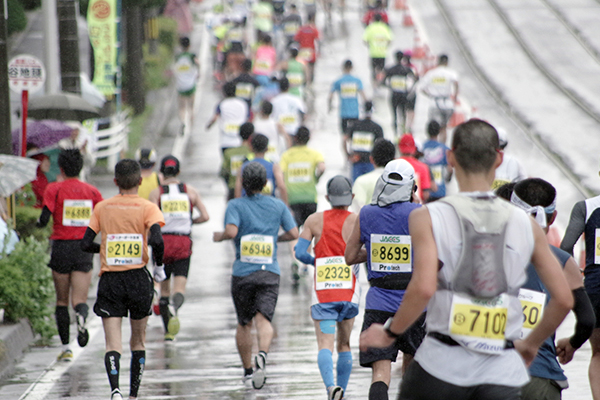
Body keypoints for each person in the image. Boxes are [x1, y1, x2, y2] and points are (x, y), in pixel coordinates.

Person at [360, 119, 573, 400]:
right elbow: (564, 299)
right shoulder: (525, 225)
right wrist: (530, 344)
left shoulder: (428, 216)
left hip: (442, 367)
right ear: (498, 159)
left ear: (450, 157)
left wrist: (389, 332)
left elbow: (423, 288)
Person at [496, 179, 595, 400]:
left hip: (489, 377)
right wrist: (571, 344)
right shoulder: (562, 262)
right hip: (540, 378)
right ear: (553, 217)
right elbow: (587, 320)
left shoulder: (483, 251)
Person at [80, 159, 166, 400]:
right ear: (140, 181)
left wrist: (105, 249)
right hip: (139, 279)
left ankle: (115, 390)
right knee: (138, 341)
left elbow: (85, 243)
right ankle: (133, 395)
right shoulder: (149, 208)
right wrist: (158, 267)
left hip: (111, 281)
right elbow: (158, 241)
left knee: (112, 343)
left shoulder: (102, 208)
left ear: (115, 182)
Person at [213, 161, 298, 389]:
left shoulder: (235, 205)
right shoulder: (278, 205)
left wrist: (220, 236)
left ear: (243, 183)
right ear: (265, 183)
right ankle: (262, 353)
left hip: (243, 273)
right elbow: (293, 232)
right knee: (264, 319)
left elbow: (231, 231)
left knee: (244, 323)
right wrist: (275, 239)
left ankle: (248, 370)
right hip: (269, 272)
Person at [345, 159, 424, 400]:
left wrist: (374, 249)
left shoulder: (366, 213)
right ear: (411, 188)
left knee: (380, 372)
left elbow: (349, 257)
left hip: (378, 303)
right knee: (412, 371)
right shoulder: (419, 214)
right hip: (414, 305)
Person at [295, 176, 359, 400]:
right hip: (349, 292)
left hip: (324, 294)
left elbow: (300, 252)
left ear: (327, 198)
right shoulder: (357, 220)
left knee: (325, 343)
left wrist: (317, 261)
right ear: (351, 197)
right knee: (345, 343)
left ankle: (331, 387)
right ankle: (342, 390)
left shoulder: (314, 220)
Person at [36, 149, 103, 361]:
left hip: (61, 248)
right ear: (81, 168)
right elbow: (102, 220)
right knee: (79, 299)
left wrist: (36, 224)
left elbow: (44, 219)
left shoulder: (54, 189)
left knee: (62, 301)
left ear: (62, 168)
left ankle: (66, 348)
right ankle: (82, 317)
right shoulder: (92, 192)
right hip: (84, 248)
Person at [149, 156, 210, 341]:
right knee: (180, 288)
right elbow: (205, 216)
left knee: (164, 290)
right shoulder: (190, 191)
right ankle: (176, 307)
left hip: (163, 243)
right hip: (183, 242)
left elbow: (151, 221)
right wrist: (189, 222)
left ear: (161, 174)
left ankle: (169, 331)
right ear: (179, 172)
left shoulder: (156, 192)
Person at [560, 164, 600, 400]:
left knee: (598, 355)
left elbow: (566, 248)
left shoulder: (586, 207)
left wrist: (577, 276)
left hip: (596, 287)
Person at [235, 134, 287, 204]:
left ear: (251, 148)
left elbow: (238, 189)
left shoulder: (243, 167)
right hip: (269, 205)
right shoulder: (274, 167)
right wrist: (286, 206)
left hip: (249, 206)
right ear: (267, 149)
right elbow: (281, 186)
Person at [419, 54, 459, 144]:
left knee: (434, 128)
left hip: (435, 102)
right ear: (447, 62)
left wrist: (430, 94)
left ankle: (434, 146)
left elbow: (421, 88)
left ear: (438, 62)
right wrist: (455, 97)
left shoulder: (431, 73)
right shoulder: (450, 73)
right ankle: (443, 146)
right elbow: (456, 82)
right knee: (444, 127)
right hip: (447, 103)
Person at [345, 101, 384, 182]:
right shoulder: (377, 127)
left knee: (356, 188)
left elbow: (344, 140)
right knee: (371, 187)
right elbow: (381, 146)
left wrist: (348, 155)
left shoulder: (354, 125)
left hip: (357, 160)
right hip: (370, 161)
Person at [352, 138, 395, 211]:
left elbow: (358, 212)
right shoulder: (404, 180)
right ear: (394, 159)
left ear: (371, 159)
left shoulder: (361, 182)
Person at [206, 81, 249, 154]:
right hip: (240, 140)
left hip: (226, 140)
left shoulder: (222, 104)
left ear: (224, 92)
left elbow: (215, 118)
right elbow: (248, 119)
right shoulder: (243, 104)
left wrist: (208, 126)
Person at [328, 60, 367, 136]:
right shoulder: (357, 81)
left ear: (343, 67)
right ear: (352, 67)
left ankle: (344, 147)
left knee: (344, 135)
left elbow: (330, 96)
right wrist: (367, 107)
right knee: (355, 133)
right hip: (355, 112)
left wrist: (329, 106)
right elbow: (363, 95)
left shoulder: (338, 81)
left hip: (343, 112)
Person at [384, 51, 418, 135]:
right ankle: (403, 132)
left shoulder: (390, 69)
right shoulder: (406, 69)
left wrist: (391, 86)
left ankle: (395, 134)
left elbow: (384, 82)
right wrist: (409, 89)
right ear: (402, 58)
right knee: (403, 114)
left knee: (394, 116)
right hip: (403, 95)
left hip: (394, 95)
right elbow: (415, 78)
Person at [221, 122, 254, 200]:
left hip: (233, 189)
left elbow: (223, 172)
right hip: (249, 191)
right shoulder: (253, 153)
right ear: (252, 136)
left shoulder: (229, 152)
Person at [173, 37, 200, 131]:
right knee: (191, 107)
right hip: (191, 85)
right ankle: (191, 126)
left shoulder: (177, 57)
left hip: (181, 86)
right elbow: (198, 63)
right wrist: (198, 73)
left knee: (182, 107)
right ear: (189, 45)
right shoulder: (191, 56)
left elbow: (175, 68)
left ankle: (182, 122)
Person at [422, 120, 452, 202]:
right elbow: (450, 169)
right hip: (440, 190)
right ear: (439, 132)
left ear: (427, 131)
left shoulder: (422, 148)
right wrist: (448, 178)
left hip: (425, 191)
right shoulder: (444, 149)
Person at [398, 133, 435, 202]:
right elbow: (425, 194)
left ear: (399, 147)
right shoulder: (423, 168)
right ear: (414, 148)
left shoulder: (393, 165)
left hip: (397, 208)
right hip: (416, 208)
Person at [362, 13, 393, 82]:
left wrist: (370, 45)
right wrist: (384, 46)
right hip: (382, 53)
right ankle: (381, 81)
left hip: (373, 53)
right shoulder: (385, 28)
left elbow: (365, 40)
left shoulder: (370, 28)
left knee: (373, 69)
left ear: (373, 19)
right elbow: (390, 40)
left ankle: (374, 82)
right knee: (382, 69)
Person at [294, 13, 319, 84]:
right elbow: (318, 41)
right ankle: (310, 82)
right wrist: (318, 52)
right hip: (311, 51)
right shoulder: (314, 29)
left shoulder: (301, 29)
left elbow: (296, 39)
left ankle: (305, 81)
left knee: (304, 67)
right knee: (312, 68)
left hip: (303, 51)